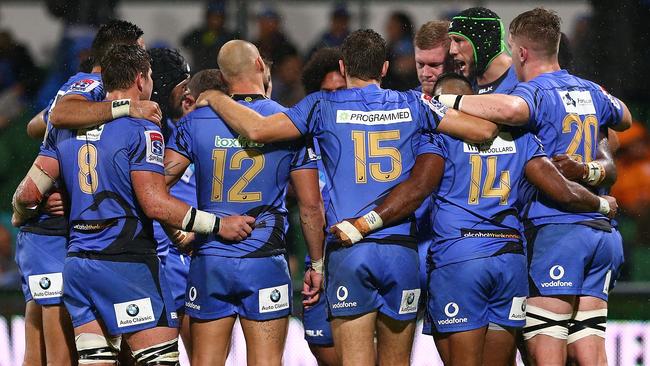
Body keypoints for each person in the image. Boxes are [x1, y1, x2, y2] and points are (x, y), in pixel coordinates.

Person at [196, 29, 499, 366]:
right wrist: (442, 101)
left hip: (349, 248)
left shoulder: (321, 105)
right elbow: (484, 131)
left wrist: (216, 97)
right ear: (384, 69)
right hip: (400, 250)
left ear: (342, 67)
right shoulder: (414, 103)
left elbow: (257, 130)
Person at [11, 44, 255, 366]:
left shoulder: (64, 130)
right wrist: (218, 225)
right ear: (141, 80)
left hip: (79, 266)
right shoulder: (143, 129)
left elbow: (27, 193)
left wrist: (22, 215)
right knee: (160, 361)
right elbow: (154, 203)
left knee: (95, 361)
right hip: (127, 264)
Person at [433, 8, 632, 365]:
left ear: (521, 52)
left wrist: (445, 101)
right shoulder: (588, 89)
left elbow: (511, 111)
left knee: (545, 349)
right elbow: (623, 123)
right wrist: (590, 172)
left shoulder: (531, 92)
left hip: (556, 229)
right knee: (589, 347)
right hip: (601, 235)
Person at [163, 40, 325, 366]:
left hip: (211, 261)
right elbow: (310, 206)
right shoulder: (288, 122)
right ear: (260, 66)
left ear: (223, 76)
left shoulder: (194, 122)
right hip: (264, 261)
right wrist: (317, 264)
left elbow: (154, 190)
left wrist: (180, 233)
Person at [16, 19, 157, 366]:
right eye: (140, 51)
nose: (143, 60)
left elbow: (41, 123)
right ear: (122, 54)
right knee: (57, 352)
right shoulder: (91, 85)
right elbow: (60, 113)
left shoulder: (82, 93)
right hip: (50, 233)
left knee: (50, 345)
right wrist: (126, 108)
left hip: (64, 233)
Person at [26, 19, 161, 140]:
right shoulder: (97, 82)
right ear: (123, 57)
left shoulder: (83, 89)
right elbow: (58, 115)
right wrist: (128, 106)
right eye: (141, 53)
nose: (145, 60)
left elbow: (34, 126)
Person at [300, 46, 346, 366]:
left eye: (340, 91)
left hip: (356, 258)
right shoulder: (302, 137)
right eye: (326, 93)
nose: (332, 100)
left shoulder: (369, 137)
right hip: (317, 264)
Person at [148, 47, 194, 358]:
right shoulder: (141, 130)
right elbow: (150, 194)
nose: (189, 93)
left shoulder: (188, 130)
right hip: (150, 256)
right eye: (183, 85)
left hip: (191, 257)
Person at [448, 7, 518, 95]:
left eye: (458, 40)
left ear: (482, 43)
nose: (452, 50)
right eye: (451, 41)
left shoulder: (525, 80)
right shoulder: (460, 85)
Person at [180, 1, 235, 72]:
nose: (215, 21)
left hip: (221, 73)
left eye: (218, 17)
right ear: (207, 17)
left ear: (223, 19)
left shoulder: (229, 36)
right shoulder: (198, 34)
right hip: (200, 72)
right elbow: (185, 42)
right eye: (212, 17)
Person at [413, 20, 453, 96]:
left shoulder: (476, 101)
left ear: (454, 61)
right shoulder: (407, 104)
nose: (425, 74)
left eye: (434, 65)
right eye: (420, 64)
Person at [383, 11, 418, 91]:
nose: (388, 28)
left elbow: (403, 65)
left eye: (393, 26)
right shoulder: (391, 46)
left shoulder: (406, 45)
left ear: (401, 27)